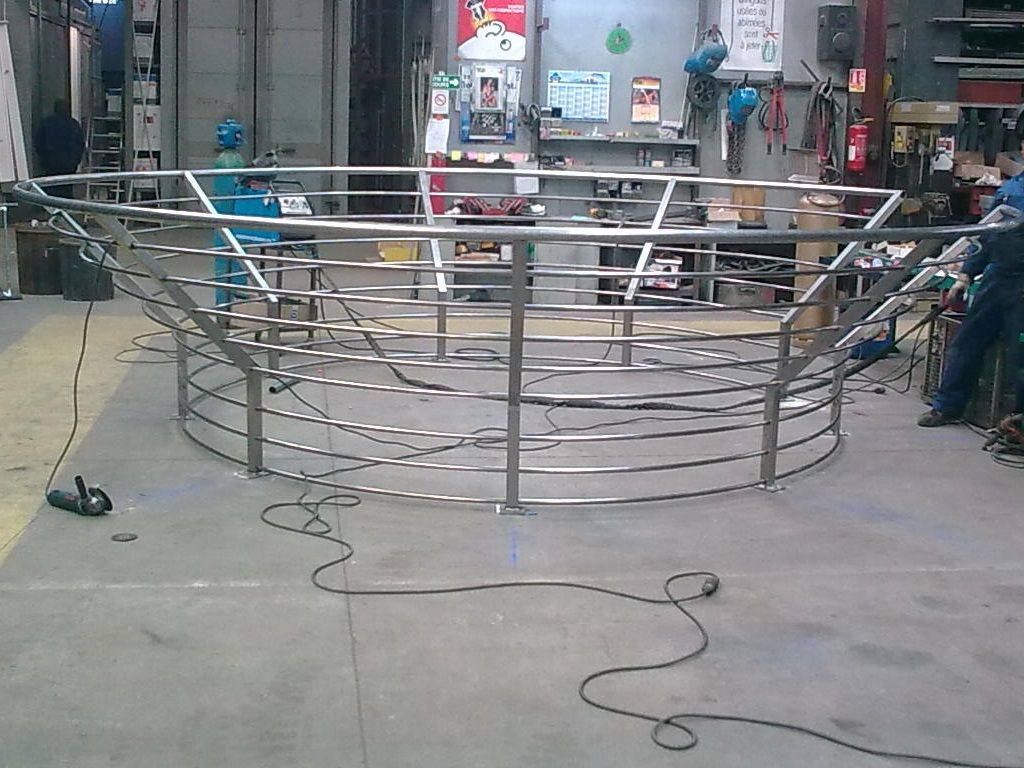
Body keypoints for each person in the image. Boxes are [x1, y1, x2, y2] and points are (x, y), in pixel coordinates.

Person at [918, 171, 1024, 427]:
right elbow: (989, 233)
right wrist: (966, 274)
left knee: (1020, 355)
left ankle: (1018, 422)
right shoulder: (1012, 187)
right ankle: (947, 407)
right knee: (967, 342)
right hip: (997, 279)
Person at [34, 100, 85, 199]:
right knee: (66, 189)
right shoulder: (73, 124)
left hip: (51, 163)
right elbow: (80, 144)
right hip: (68, 164)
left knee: (51, 189)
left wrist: (43, 159)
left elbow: (39, 143)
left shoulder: (46, 123)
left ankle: (51, 205)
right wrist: (76, 161)